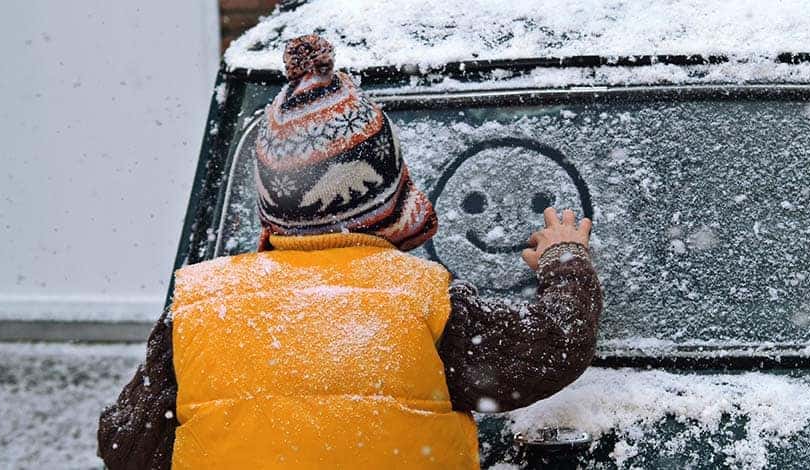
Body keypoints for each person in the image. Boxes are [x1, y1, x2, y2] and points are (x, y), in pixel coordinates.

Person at [98, 34, 602, 470]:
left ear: (271, 207)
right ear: (388, 195)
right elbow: (553, 348)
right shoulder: (425, 301)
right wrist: (565, 260)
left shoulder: (199, 309)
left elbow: (127, 445)